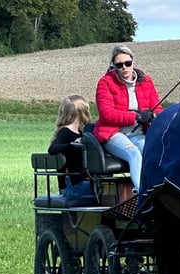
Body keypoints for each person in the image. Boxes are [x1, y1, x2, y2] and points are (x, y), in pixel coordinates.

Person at [93, 45, 163, 191]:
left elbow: (158, 108)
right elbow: (107, 114)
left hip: (138, 133)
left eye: (128, 63)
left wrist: (153, 116)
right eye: (119, 65)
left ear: (133, 62)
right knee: (134, 153)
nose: (124, 68)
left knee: (151, 151)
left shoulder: (146, 81)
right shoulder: (105, 83)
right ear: (114, 66)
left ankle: (160, 191)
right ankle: (143, 194)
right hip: (113, 134)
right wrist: (137, 117)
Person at [47, 94, 94, 198]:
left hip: (84, 181)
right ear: (81, 112)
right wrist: (73, 145)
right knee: (108, 192)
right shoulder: (65, 132)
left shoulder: (83, 133)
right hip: (73, 185)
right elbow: (52, 149)